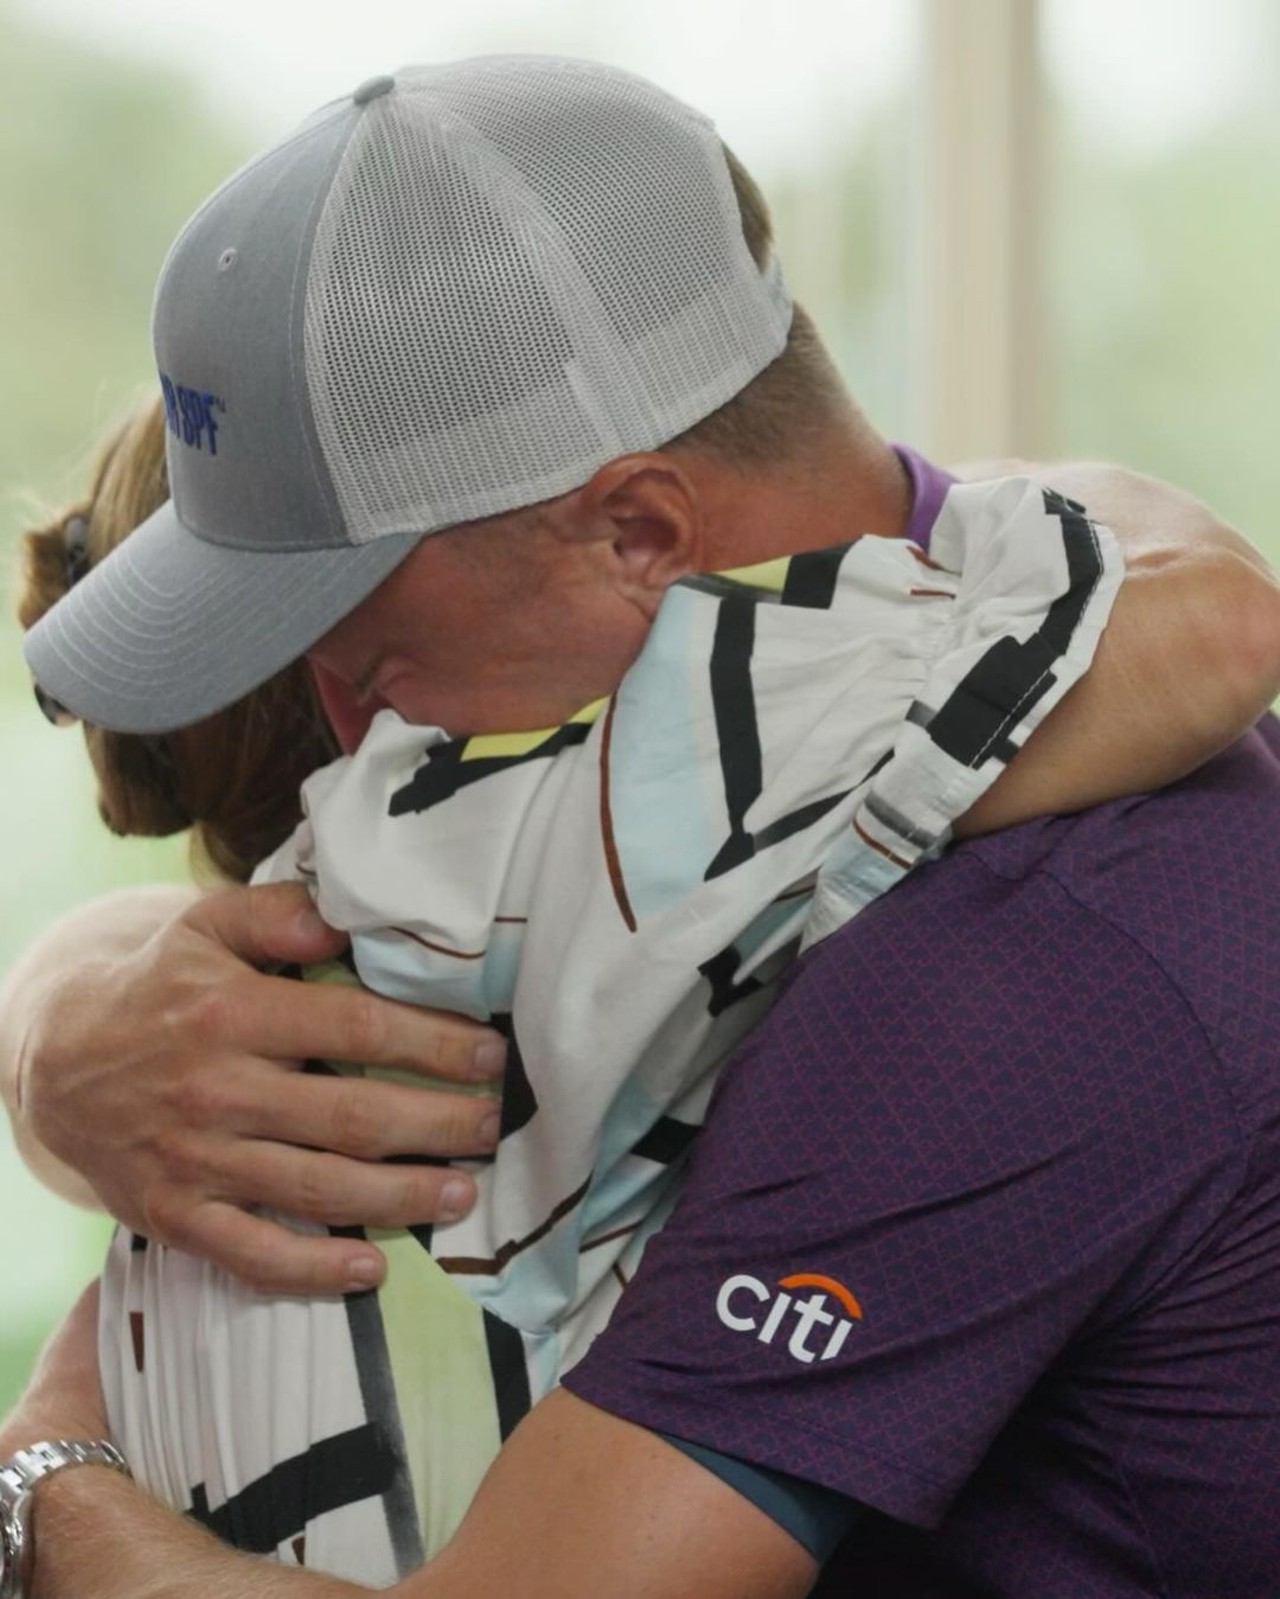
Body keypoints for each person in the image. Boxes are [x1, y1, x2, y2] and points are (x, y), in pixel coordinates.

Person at [4, 56, 1280, 1599]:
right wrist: (56, 1015)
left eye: (364, 643)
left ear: (640, 533)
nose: (345, 727)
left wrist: (47, 1478)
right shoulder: (926, 698)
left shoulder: (1002, 956)